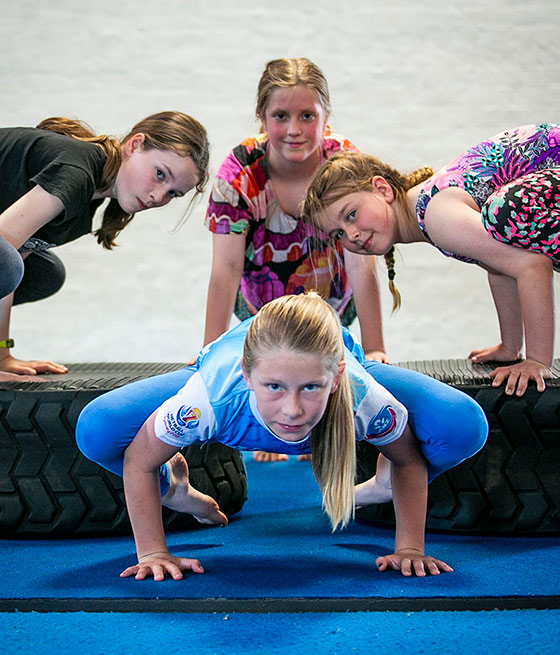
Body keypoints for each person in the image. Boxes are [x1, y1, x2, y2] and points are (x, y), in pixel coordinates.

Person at [76, 292, 488, 581]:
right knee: (97, 429)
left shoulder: (360, 397)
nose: (292, 410)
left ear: (336, 378)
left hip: (323, 353)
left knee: (463, 425)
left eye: (310, 389)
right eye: (275, 388)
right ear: (248, 377)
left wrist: (409, 548)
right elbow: (139, 459)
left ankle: (383, 485)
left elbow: (409, 459)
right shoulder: (210, 398)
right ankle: (176, 486)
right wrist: (152, 552)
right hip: (230, 363)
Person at [203, 57, 388, 461]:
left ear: (327, 115)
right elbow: (226, 268)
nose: (293, 130)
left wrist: (374, 349)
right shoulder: (240, 172)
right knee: (278, 373)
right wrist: (208, 353)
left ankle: (315, 430)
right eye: (280, 116)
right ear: (261, 117)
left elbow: (362, 260)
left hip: (334, 299)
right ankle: (274, 430)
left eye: (307, 116)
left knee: (320, 373)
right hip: (260, 305)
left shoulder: (344, 163)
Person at [303, 123, 560, 397]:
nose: (351, 235)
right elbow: (500, 266)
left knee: (503, 214)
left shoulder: (437, 216)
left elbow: (533, 266)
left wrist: (537, 361)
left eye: (351, 214)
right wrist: (510, 348)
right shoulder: (429, 208)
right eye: (338, 233)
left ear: (382, 189)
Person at [0, 111, 209, 381]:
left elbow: (10, 270)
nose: (158, 196)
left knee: (45, 273)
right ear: (134, 145)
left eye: (173, 193)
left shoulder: (88, 203)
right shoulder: (77, 172)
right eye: (159, 174)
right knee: (9, 263)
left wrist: (3, 356)